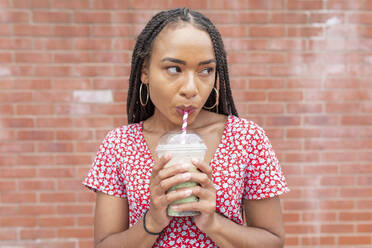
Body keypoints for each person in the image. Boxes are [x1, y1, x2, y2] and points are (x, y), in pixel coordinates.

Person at [83, 7, 289, 248]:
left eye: (205, 70)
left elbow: (273, 240)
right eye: (174, 69)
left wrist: (213, 224)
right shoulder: (119, 145)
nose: (191, 88)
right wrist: (152, 222)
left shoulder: (246, 138)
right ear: (145, 72)